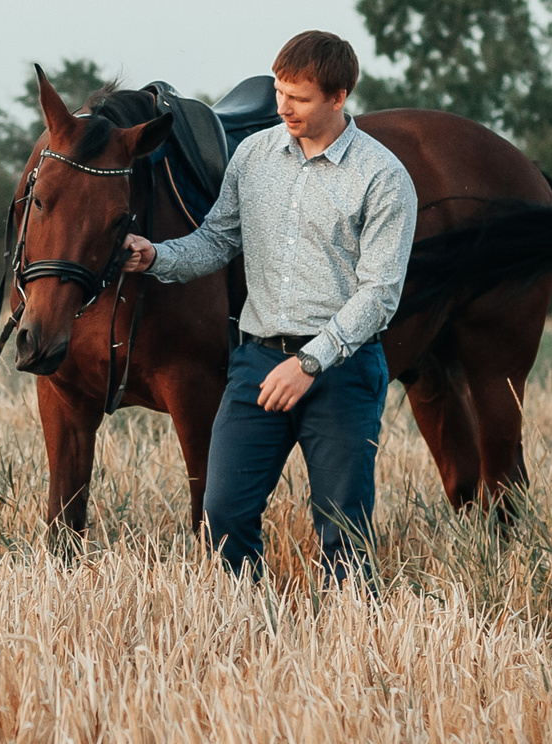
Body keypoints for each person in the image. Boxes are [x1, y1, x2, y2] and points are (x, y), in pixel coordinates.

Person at [119, 30, 417, 581]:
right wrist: (156, 255)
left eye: (299, 97)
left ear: (339, 97)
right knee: (222, 515)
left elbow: (379, 295)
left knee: (342, 531)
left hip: (343, 371)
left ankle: (350, 630)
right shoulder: (254, 155)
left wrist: (309, 363)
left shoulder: (382, 177)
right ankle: (249, 622)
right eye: (280, 91)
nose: (283, 107)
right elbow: (217, 240)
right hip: (256, 363)